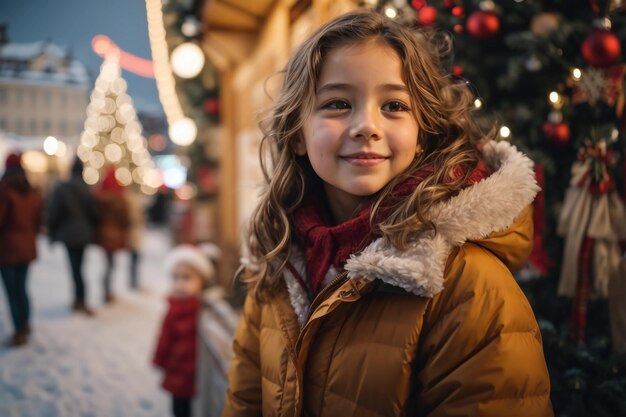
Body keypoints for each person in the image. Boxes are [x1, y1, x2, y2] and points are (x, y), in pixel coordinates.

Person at [222, 10, 552, 417]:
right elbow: (245, 403)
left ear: (423, 132)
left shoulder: (468, 286)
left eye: (394, 105)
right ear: (297, 134)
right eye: (338, 103)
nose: (366, 126)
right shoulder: (280, 264)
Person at [153, 244, 216, 417]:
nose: (179, 283)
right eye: (175, 278)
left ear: (201, 281)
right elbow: (164, 337)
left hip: (198, 371)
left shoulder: (203, 309)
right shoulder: (173, 307)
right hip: (178, 369)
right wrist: (160, 359)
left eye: (186, 278)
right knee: (180, 408)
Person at [47, 158, 100, 315]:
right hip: (83, 234)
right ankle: (81, 299)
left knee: (74, 268)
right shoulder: (87, 189)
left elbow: (54, 213)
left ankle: (78, 300)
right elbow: (95, 214)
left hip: (69, 235)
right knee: (80, 268)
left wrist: (53, 231)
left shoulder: (62, 189)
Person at [0, 153, 43, 346]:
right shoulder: (32, 191)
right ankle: (25, 324)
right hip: (26, 245)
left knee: (12, 292)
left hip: (7, 248)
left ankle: (19, 331)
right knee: (22, 289)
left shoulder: (4, 190)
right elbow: (38, 222)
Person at [94, 166, 130, 303]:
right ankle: (107, 291)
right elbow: (125, 219)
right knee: (111, 265)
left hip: (103, 235)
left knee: (107, 264)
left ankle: (106, 290)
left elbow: (95, 217)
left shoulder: (98, 197)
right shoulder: (120, 198)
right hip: (116, 236)